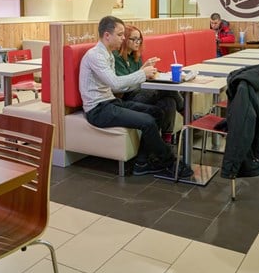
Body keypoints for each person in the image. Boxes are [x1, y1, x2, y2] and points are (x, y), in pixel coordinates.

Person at [79, 16, 193, 177]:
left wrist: (142, 73)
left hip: (110, 102)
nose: (123, 38)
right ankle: (169, 161)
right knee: (147, 121)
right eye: (120, 35)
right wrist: (141, 74)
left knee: (157, 112)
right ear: (107, 35)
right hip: (97, 110)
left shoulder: (108, 54)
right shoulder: (95, 56)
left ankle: (142, 162)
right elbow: (116, 84)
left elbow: (122, 85)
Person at [113, 24, 184, 144]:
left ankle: (166, 142)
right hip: (126, 98)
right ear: (124, 39)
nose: (137, 42)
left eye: (139, 39)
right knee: (165, 88)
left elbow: (138, 78)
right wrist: (142, 71)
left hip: (139, 93)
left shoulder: (135, 56)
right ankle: (185, 111)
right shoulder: (117, 58)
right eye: (133, 39)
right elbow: (123, 86)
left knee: (169, 102)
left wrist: (147, 71)